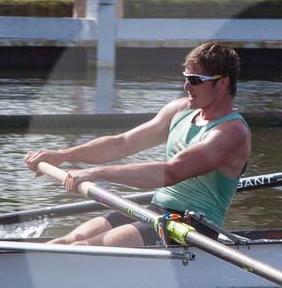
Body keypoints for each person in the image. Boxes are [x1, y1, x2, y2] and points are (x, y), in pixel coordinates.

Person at [25, 42, 250, 248]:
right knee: (69, 240)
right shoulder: (180, 110)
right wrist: (63, 155)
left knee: (81, 249)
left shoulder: (230, 132)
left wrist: (95, 173)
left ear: (222, 83)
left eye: (194, 80)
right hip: (156, 212)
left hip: (193, 228)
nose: (185, 86)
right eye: (185, 77)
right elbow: (122, 143)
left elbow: (171, 172)